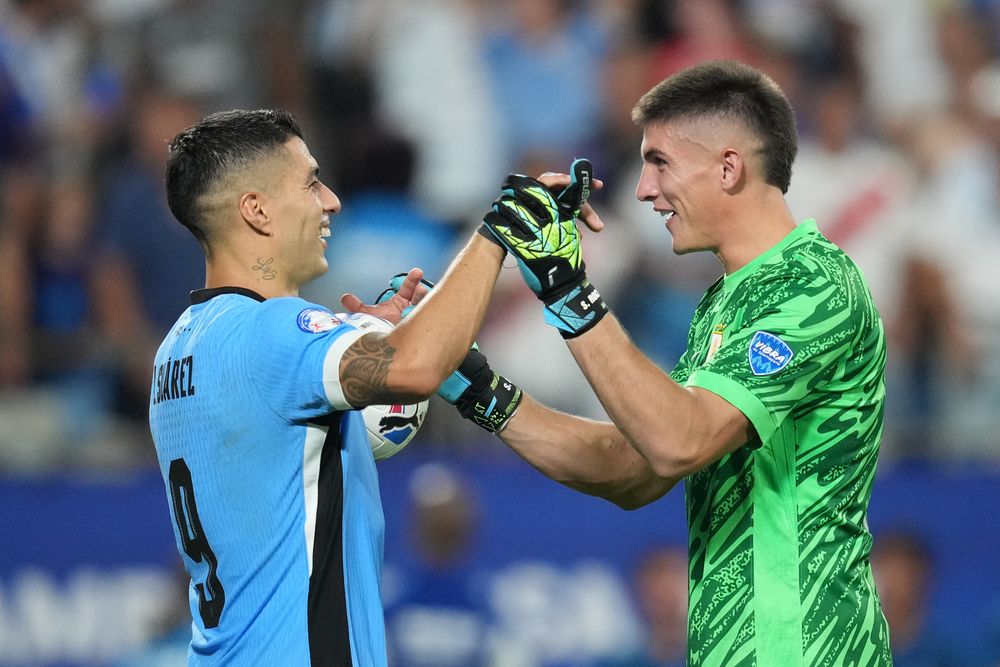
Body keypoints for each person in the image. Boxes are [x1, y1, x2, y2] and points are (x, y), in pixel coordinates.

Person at [428, 60, 892, 664]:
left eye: (660, 163)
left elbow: (679, 440)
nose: (643, 190)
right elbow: (636, 466)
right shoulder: (727, 301)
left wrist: (568, 290)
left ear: (729, 168)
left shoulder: (812, 286)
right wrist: (471, 383)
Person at [148, 109, 600, 664]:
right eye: (311, 181)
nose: (331, 200)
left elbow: (285, 466)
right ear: (256, 210)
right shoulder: (274, 331)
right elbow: (416, 368)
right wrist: (499, 232)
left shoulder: (180, 346)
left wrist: (379, 335)